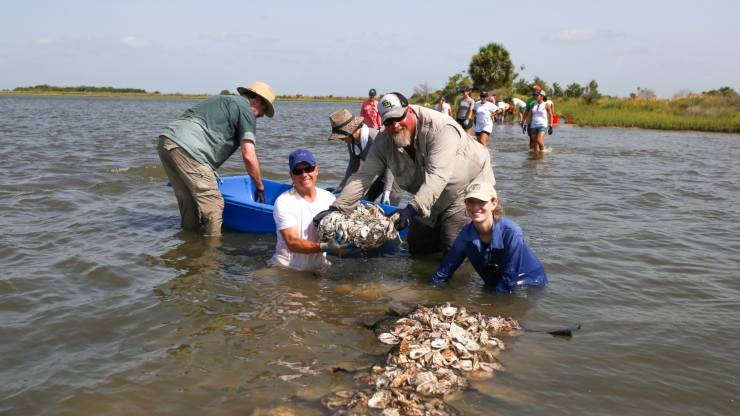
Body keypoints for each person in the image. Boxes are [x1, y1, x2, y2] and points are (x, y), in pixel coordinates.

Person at [315, 92, 496, 255]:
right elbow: (363, 176)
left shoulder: (440, 128)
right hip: (431, 194)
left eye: (398, 118)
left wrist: (411, 209)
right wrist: (337, 208)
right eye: (388, 122)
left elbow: (438, 176)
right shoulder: (384, 140)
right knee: (416, 246)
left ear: (408, 110)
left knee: (453, 248)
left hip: (465, 188)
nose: (395, 126)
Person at [157, 81, 275, 237]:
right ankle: (211, 256)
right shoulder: (247, 110)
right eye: (263, 110)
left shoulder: (221, 99)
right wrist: (259, 186)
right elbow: (248, 154)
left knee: (188, 200)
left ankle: (188, 244)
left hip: (166, 141)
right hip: (190, 150)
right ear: (257, 100)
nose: (261, 115)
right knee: (214, 205)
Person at [429, 181, 547, 293]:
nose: (475, 207)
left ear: (493, 203)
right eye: (470, 201)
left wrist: (490, 307)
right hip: (498, 282)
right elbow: (443, 272)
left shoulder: (512, 232)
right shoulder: (465, 235)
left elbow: (509, 278)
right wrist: (426, 292)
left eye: (481, 202)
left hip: (530, 283)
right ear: (465, 204)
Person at [268, 149, 353, 272]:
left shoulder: (329, 198)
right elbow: (292, 243)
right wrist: (325, 247)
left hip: (318, 267)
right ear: (291, 175)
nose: (304, 174)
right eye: (298, 171)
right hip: (287, 268)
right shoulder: (284, 202)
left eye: (308, 169)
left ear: (316, 170)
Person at [327, 109, 401, 205]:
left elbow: (390, 165)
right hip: (381, 173)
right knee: (366, 201)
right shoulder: (351, 142)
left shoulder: (375, 138)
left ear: (352, 131)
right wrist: (342, 187)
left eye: (342, 137)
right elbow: (353, 167)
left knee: (391, 202)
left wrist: (387, 191)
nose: (342, 140)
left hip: (397, 173)